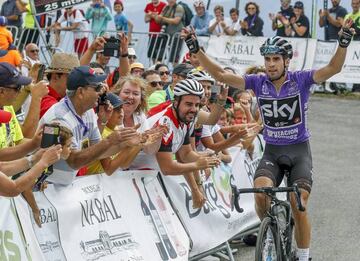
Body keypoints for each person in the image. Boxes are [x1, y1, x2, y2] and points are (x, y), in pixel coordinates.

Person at [182, 19, 355, 261]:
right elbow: (220, 74)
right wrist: (195, 48)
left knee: (298, 204)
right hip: (272, 151)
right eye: (267, 59)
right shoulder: (257, 82)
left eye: (276, 59)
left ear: (286, 61)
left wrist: (344, 41)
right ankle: (271, 233)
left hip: (298, 151)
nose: (271, 64)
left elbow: (333, 69)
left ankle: (303, 256)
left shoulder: (301, 80)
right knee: (261, 195)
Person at [39, 65, 140, 185]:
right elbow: (74, 161)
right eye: (97, 87)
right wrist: (109, 141)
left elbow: (99, 152)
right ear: (81, 92)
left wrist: (124, 144)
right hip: (46, 186)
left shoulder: (88, 112)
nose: (101, 91)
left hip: (64, 186)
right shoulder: (60, 118)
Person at [148, 79, 221, 208]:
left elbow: (185, 154)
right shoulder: (165, 122)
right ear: (176, 102)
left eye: (197, 105)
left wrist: (204, 160)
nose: (193, 109)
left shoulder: (184, 117)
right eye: (188, 104)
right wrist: (197, 164)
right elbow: (167, 168)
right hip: (135, 173)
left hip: (150, 176)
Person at [154, 0, 185, 64]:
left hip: (177, 36)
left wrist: (162, 18)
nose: (170, 0)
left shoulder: (179, 7)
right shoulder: (166, 7)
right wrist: (155, 16)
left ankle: (176, 72)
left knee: (174, 58)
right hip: (166, 35)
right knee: (159, 55)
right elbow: (158, 21)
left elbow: (176, 21)